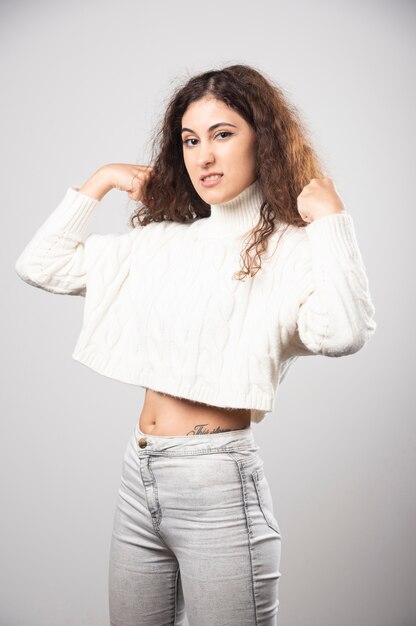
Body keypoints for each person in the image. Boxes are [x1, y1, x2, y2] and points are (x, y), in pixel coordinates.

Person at [15, 64, 377, 626]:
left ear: (265, 137)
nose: (203, 155)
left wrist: (333, 222)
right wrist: (103, 178)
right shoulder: (163, 243)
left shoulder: (293, 248)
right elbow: (40, 265)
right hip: (139, 476)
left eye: (223, 134)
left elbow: (345, 332)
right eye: (190, 139)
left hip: (219, 485)